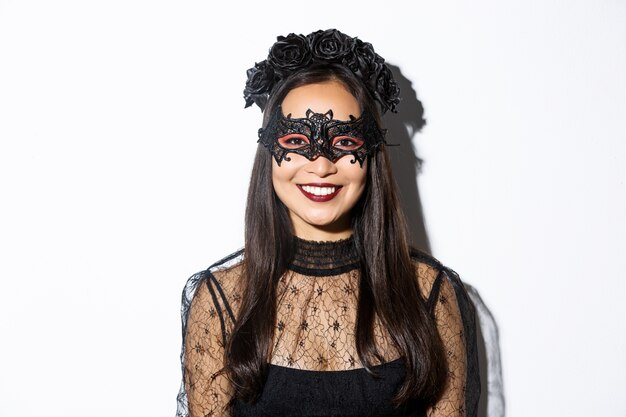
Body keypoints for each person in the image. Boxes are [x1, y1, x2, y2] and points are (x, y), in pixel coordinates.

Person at [175, 29, 480, 417]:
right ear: (269, 152)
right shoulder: (223, 300)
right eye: (297, 142)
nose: (321, 165)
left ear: (371, 155)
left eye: (345, 143)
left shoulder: (428, 295)